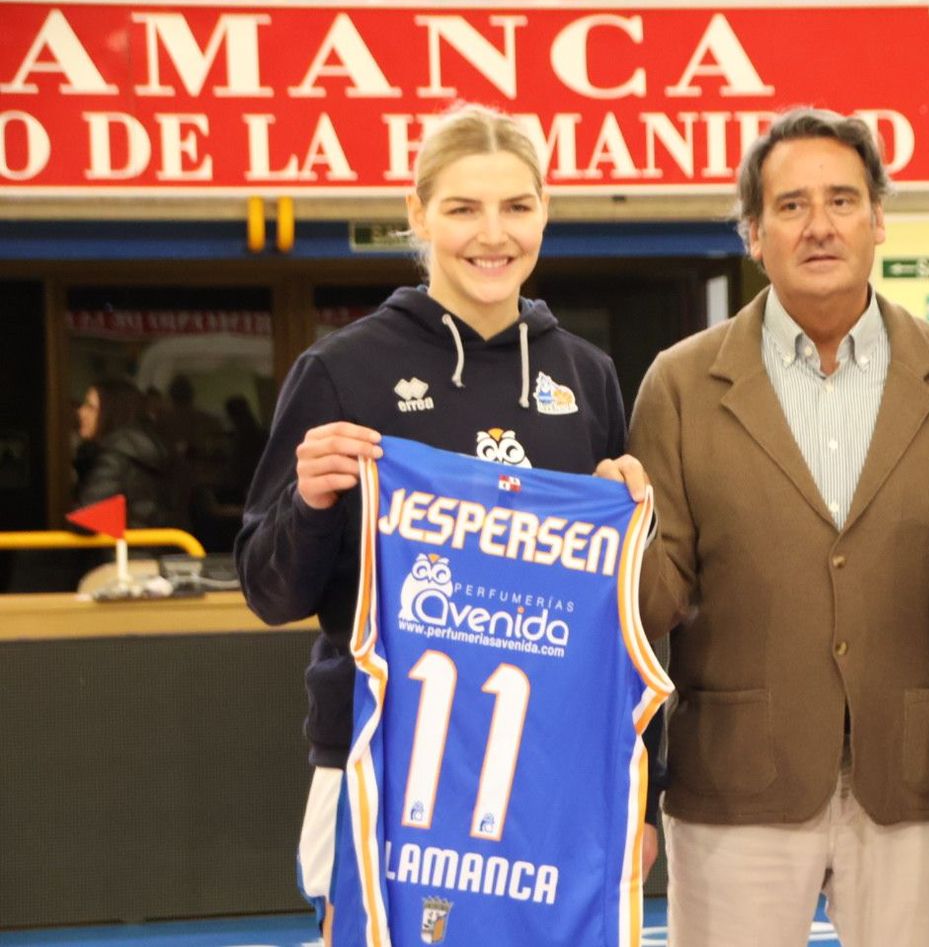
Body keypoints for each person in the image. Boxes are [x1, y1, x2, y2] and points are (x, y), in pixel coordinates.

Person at [233, 103, 651, 940]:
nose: (491, 235)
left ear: (545, 213)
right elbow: (269, 590)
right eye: (463, 208)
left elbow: (622, 618)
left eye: (516, 207)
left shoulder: (590, 377)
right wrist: (311, 502)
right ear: (418, 214)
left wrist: (644, 784)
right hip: (381, 758)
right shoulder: (342, 370)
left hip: (548, 769)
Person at [628, 107, 929, 946]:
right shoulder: (680, 383)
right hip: (738, 779)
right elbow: (654, 601)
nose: (819, 226)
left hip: (918, 775)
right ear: (753, 232)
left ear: (879, 219)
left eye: (843, 200)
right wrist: (615, 531)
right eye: (791, 206)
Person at [75, 377, 181, 529]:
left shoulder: (116, 456)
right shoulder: (146, 448)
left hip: (123, 551)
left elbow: (86, 518)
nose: (81, 412)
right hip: (149, 549)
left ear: (111, 412)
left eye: (90, 407)